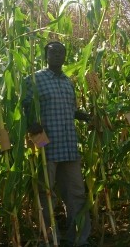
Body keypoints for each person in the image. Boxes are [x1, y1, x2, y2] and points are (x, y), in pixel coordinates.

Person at [22, 41, 92, 247]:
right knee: (46, 194)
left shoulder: (67, 81)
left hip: (69, 146)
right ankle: (48, 239)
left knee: (77, 194)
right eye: (53, 52)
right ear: (45, 55)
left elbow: (70, 110)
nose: (58, 55)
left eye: (62, 52)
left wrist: (86, 117)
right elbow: (23, 107)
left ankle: (78, 240)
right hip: (47, 148)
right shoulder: (34, 80)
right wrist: (30, 123)